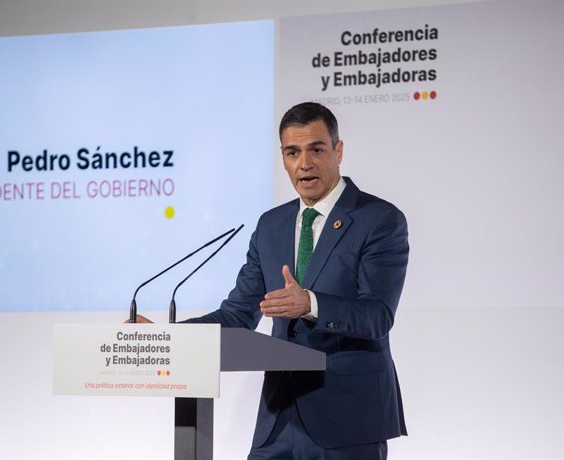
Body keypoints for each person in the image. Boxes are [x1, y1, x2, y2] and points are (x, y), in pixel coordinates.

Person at [135, 102, 408, 459]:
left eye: (317, 150)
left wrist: (309, 303)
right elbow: (237, 316)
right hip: (278, 419)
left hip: (347, 419)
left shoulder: (379, 219)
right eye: (293, 152)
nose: (304, 163)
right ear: (283, 158)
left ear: (338, 152)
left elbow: (377, 316)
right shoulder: (271, 226)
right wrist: (168, 336)